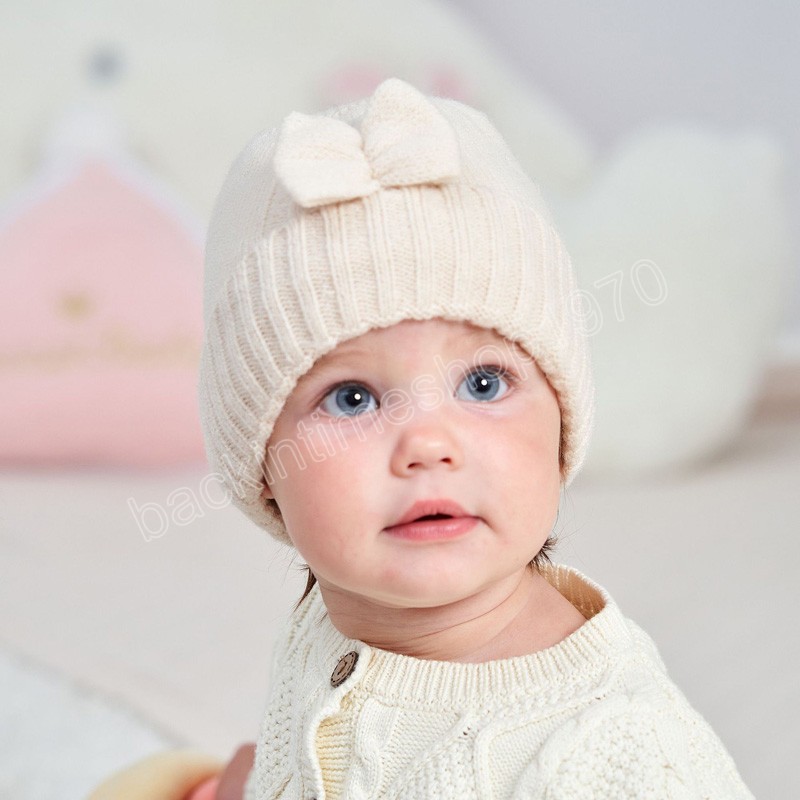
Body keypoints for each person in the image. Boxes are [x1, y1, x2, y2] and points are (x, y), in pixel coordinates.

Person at [89, 77, 754, 799]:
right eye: (352, 398)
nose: (428, 445)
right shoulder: (332, 618)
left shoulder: (616, 757)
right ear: (264, 470)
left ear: (562, 423)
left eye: (484, 384)